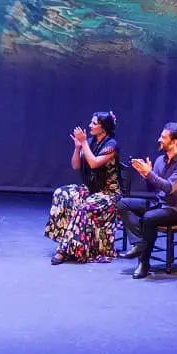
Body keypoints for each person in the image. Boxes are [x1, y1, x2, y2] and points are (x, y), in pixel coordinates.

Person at [117, 122, 177, 279]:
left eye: (163, 137)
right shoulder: (161, 159)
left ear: (174, 142)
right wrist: (147, 175)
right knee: (123, 203)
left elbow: (168, 188)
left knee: (149, 218)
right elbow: (153, 189)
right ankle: (139, 243)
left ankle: (144, 263)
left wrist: (149, 174)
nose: (159, 139)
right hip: (161, 205)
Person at [44, 111, 121, 264]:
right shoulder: (91, 142)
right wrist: (78, 147)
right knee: (62, 193)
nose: (90, 126)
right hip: (92, 189)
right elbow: (75, 165)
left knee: (84, 207)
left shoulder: (111, 145)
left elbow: (94, 163)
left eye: (94, 123)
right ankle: (68, 241)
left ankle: (64, 249)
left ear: (103, 127)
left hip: (109, 194)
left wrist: (84, 143)